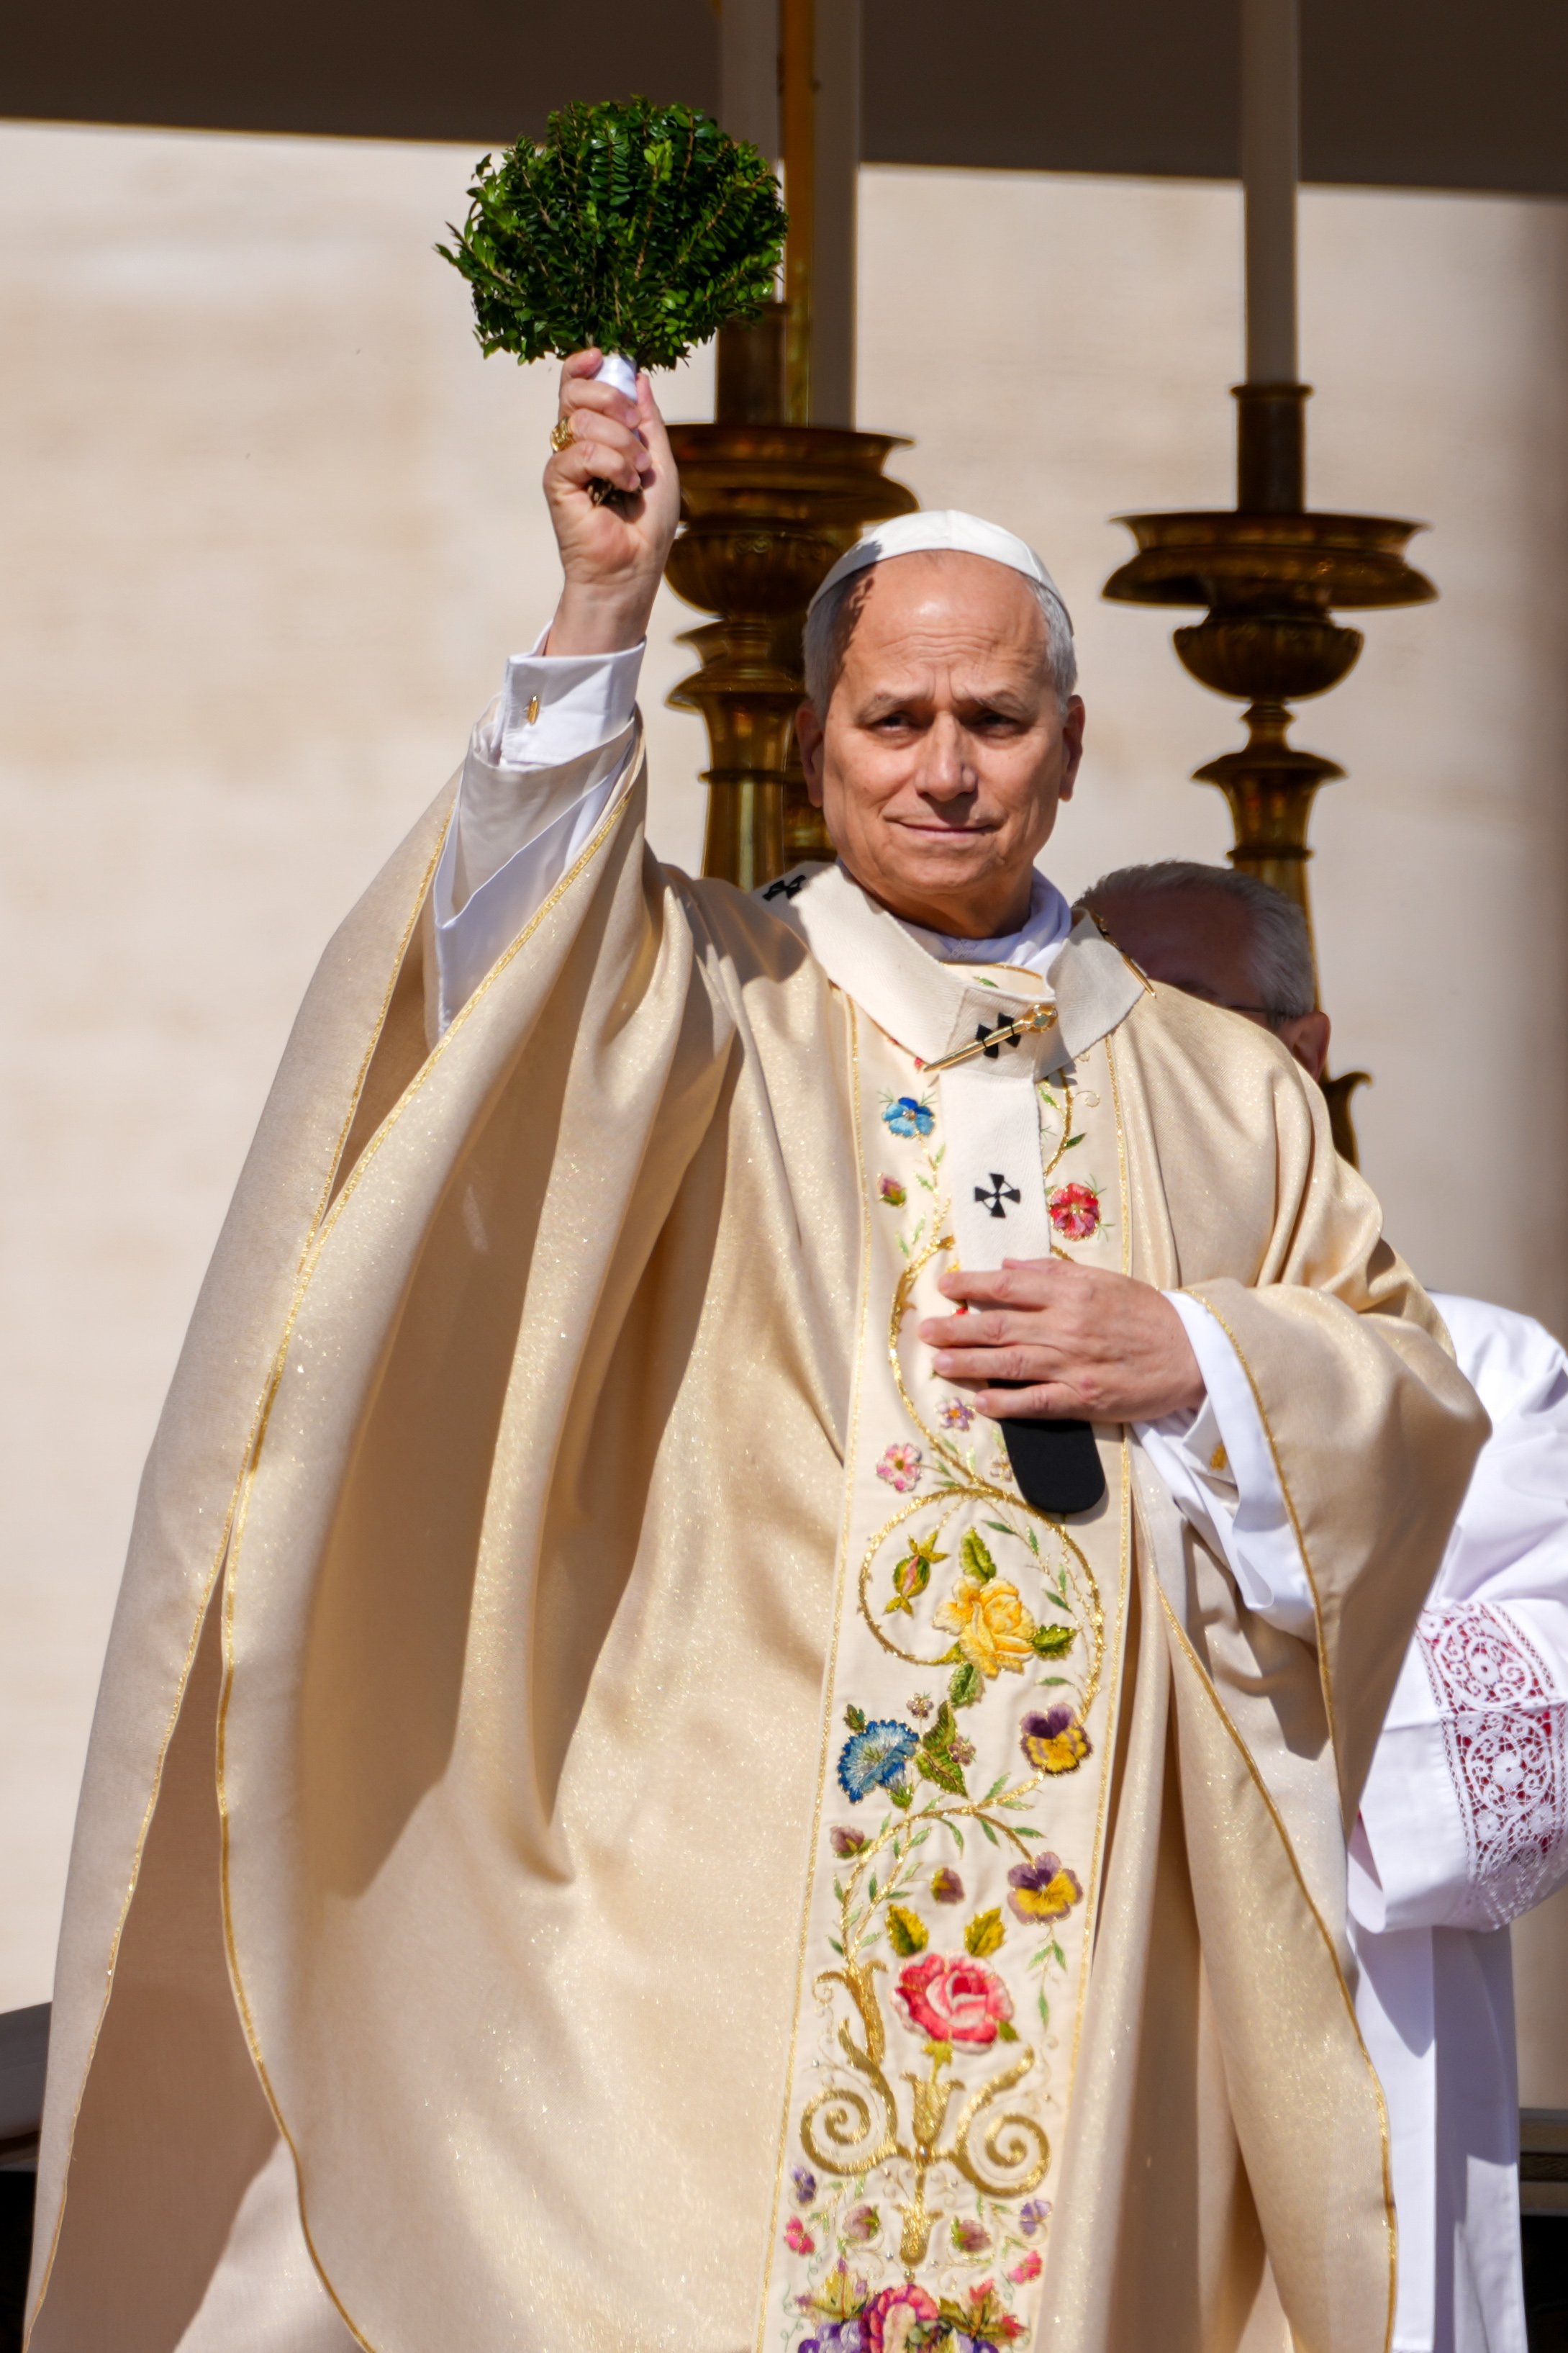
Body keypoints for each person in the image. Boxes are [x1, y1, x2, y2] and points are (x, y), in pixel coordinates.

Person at [27, 358, 1485, 2353]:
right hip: (723, 1873)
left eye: (994, 720)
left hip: (1105, 1923)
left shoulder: (1226, 1096)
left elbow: (1411, 1395)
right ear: (809, 748)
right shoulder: (719, 991)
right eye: (892, 720)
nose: (943, 767)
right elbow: (501, 969)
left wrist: (1197, 1353)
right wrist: (602, 615)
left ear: (1072, 746)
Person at [1082, 857, 1568, 2353]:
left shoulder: (1475, 1378)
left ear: (1302, 1057)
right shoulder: (987, 1360)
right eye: (1105, 1023)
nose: (1147, 1065)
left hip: (1354, 2044)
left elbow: (1531, 1741)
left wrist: (1212, 1379)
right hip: (1062, 2035)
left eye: (1197, 1021)